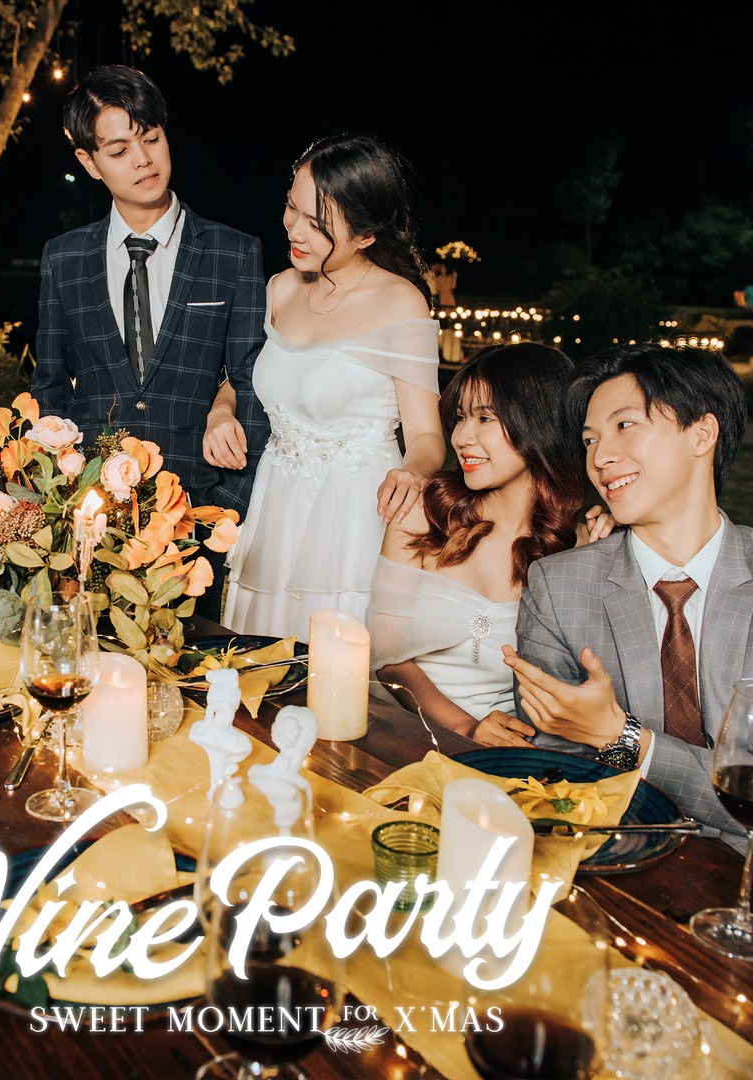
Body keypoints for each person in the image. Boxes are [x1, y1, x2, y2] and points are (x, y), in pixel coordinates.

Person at [504, 343, 753, 920]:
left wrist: (621, 738)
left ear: (702, 433)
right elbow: (558, 773)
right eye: (590, 440)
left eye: (624, 426)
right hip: (603, 864)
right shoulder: (559, 586)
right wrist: (736, 776)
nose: (602, 456)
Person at [31, 65, 267, 620]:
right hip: (92, 520)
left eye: (152, 139)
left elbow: (254, 384)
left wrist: (224, 512)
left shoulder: (233, 253)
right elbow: (49, 390)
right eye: (119, 150)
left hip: (200, 517)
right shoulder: (64, 258)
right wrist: (61, 504)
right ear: (89, 162)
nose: (143, 160)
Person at [224, 134, 445, 640]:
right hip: (277, 503)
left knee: (339, 659)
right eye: (291, 208)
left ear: (365, 235)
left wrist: (412, 472)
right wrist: (222, 408)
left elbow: (427, 437)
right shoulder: (280, 288)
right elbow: (242, 376)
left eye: (317, 224)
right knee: (261, 659)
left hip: (354, 512)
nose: (294, 230)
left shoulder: (400, 302)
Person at [369, 343, 589, 742]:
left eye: (485, 418)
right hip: (410, 734)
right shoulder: (422, 513)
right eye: (460, 418)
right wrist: (465, 727)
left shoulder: (577, 542)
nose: (461, 437)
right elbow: (388, 660)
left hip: (517, 745)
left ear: (538, 422)